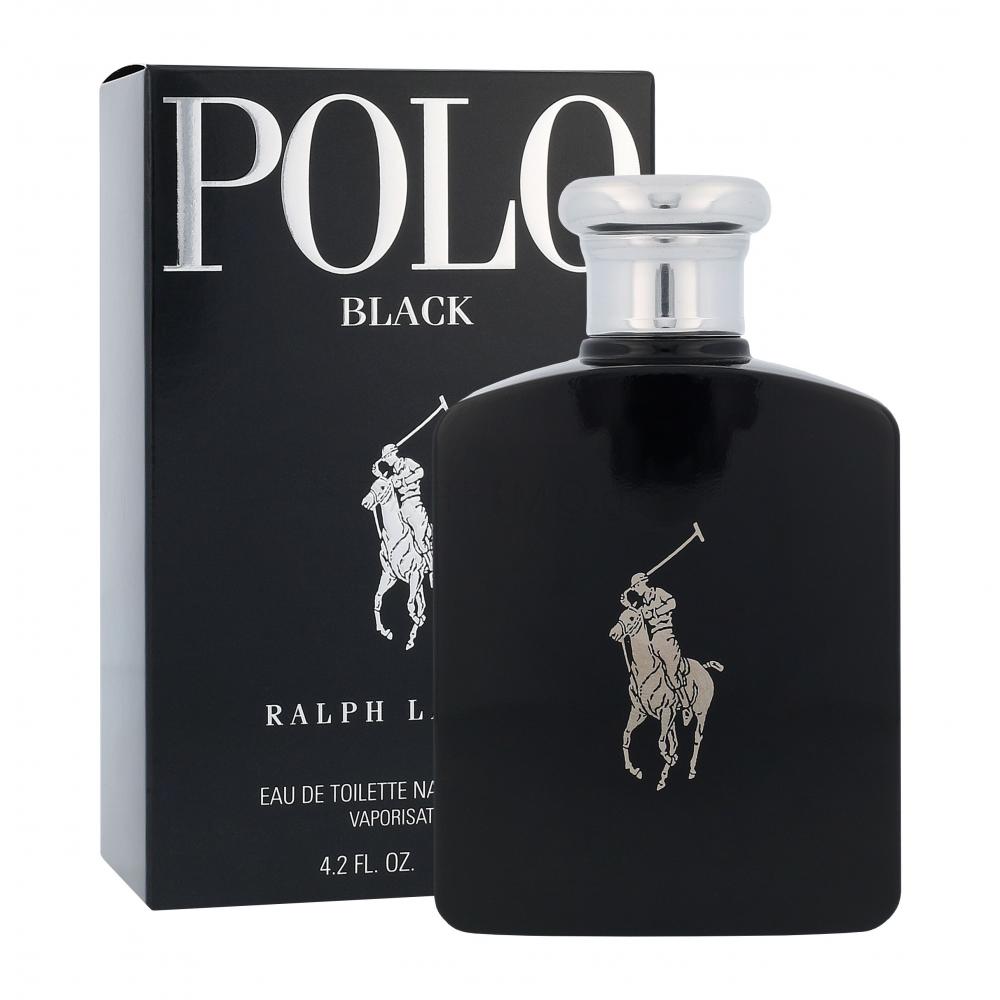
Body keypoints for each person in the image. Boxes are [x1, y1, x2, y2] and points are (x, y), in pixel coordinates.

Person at [627, 571, 691, 709]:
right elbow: (636, 616)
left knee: (671, 674)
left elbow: (672, 603)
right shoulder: (642, 604)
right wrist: (627, 604)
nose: (635, 590)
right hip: (653, 640)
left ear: (641, 583)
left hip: (666, 637)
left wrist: (655, 612)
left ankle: (685, 703)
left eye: (635, 587)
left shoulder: (658, 592)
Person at [377, 443, 432, 563]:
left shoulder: (407, 462)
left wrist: (404, 481)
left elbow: (420, 472)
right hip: (403, 508)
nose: (386, 461)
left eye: (386, 458)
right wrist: (379, 475)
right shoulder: (393, 475)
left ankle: (431, 563)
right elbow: (386, 487)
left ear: (392, 454)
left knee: (420, 540)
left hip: (414, 504)